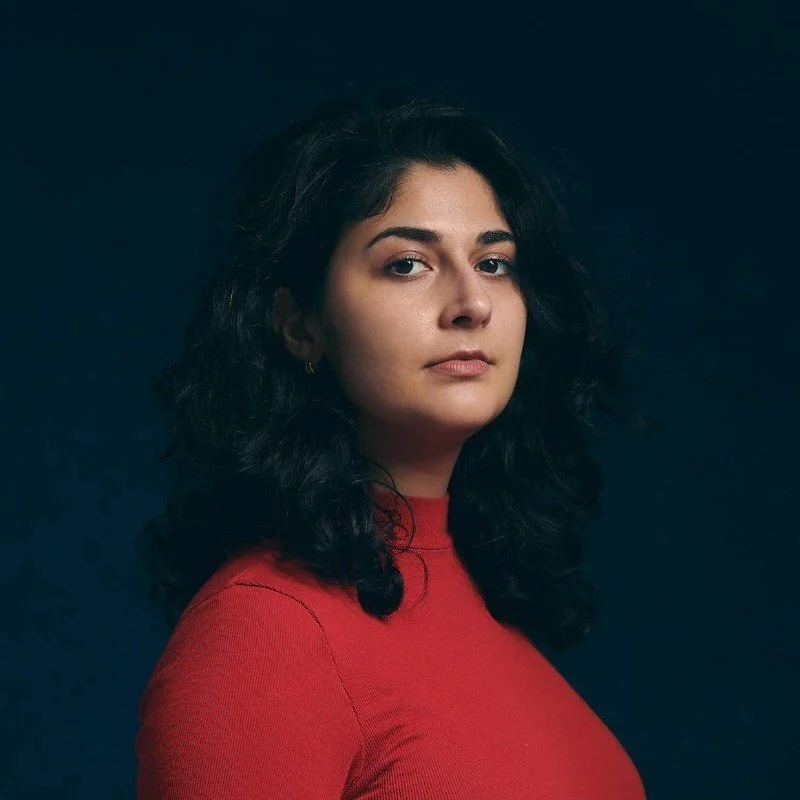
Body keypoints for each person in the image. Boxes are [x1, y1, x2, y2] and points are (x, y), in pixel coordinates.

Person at [135, 84, 648, 799]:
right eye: (408, 263)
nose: (472, 303)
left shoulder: (484, 598)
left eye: (494, 263)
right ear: (299, 324)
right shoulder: (266, 632)